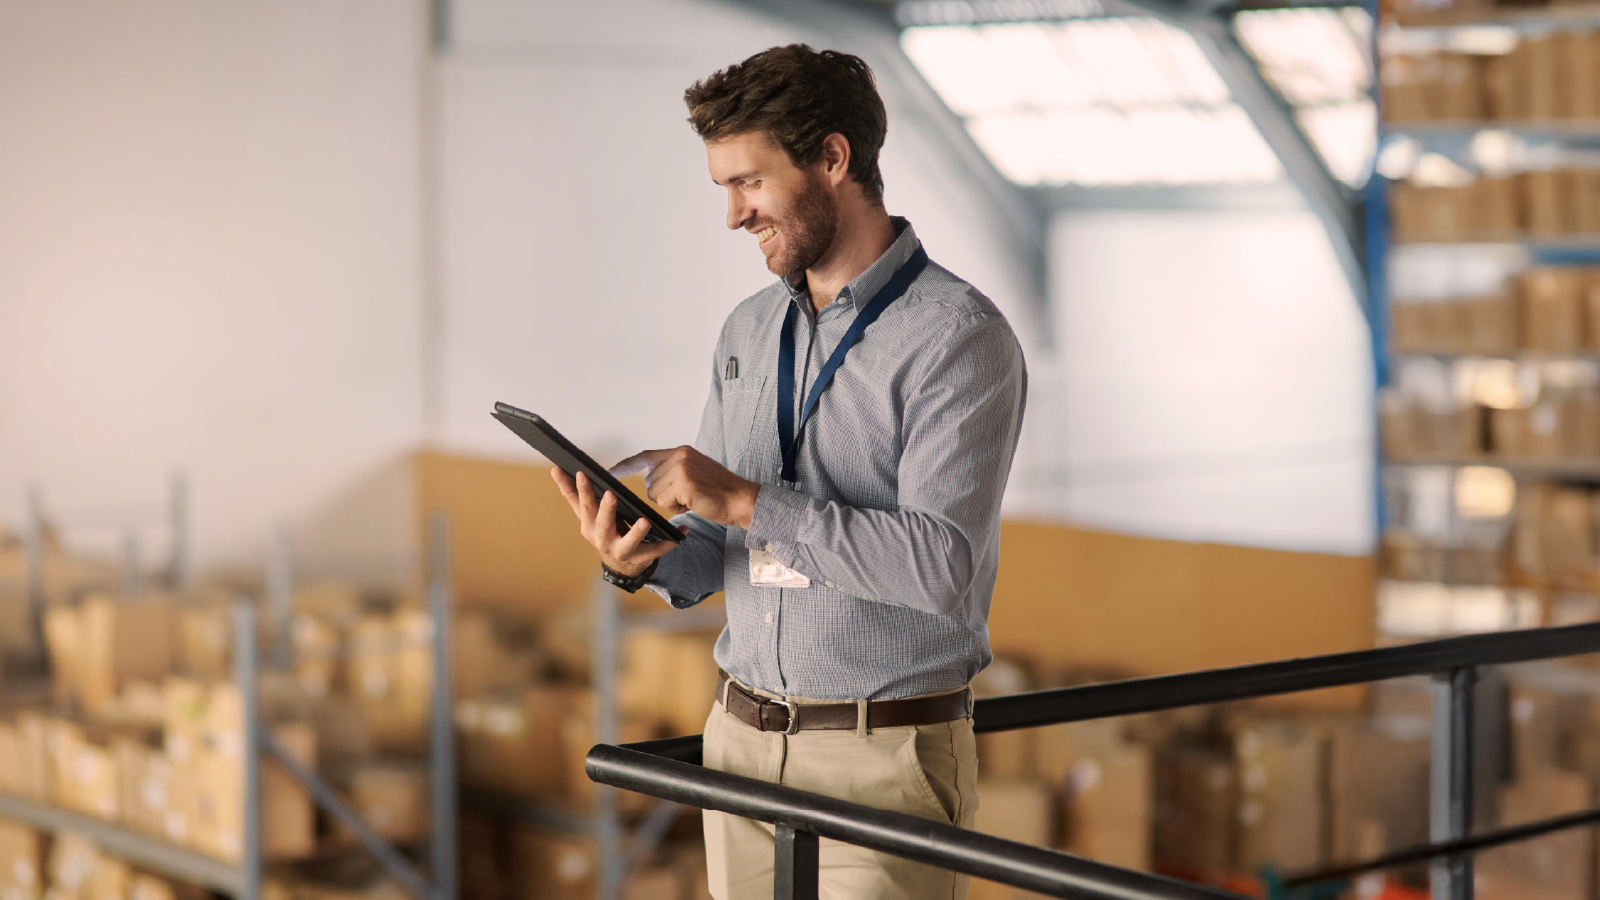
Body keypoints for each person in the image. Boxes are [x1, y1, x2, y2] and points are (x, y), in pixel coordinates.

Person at [553, 44, 1027, 900]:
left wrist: (745, 498)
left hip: (881, 762)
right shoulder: (745, 331)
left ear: (833, 159)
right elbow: (713, 557)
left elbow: (942, 568)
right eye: (723, 188)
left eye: (750, 183)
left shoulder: (959, 339)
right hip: (734, 750)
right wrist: (640, 554)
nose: (734, 215)